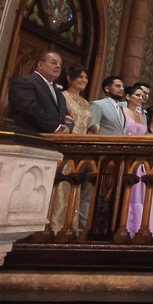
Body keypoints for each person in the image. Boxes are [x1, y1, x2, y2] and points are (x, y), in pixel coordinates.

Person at [50, 64, 91, 233]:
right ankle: (54, 225)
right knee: (61, 185)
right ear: (69, 78)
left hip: (81, 150)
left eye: (86, 78)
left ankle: (70, 225)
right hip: (65, 147)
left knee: (75, 186)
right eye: (80, 77)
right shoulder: (62, 97)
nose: (84, 80)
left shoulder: (86, 103)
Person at [123, 85, 153, 238]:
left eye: (142, 96)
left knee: (139, 193)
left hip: (142, 158)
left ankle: (139, 226)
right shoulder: (123, 112)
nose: (141, 98)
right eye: (137, 95)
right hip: (128, 155)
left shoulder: (142, 117)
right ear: (128, 97)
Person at [8, 51, 71, 135]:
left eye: (60, 64)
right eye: (54, 63)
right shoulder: (24, 82)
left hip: (51, 142)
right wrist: (56, 128)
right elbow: (30, 109)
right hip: (28, 138)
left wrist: (68, 128)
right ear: (40, 65)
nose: (58, 66)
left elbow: (66, 116)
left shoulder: (58, 92)